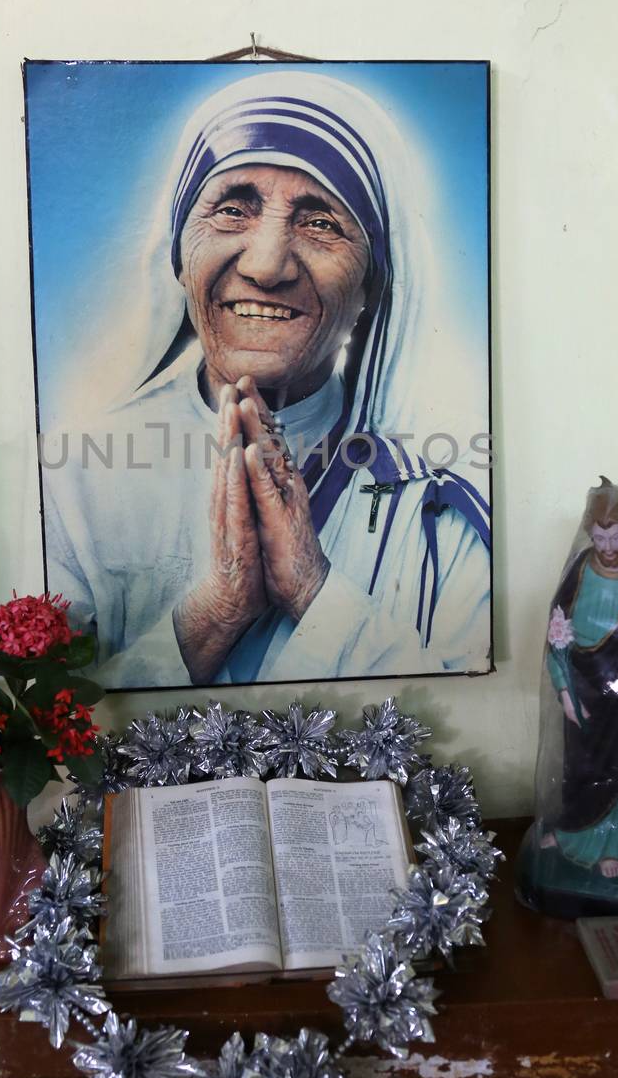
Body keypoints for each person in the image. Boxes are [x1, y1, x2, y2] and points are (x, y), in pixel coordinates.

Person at [45, 70, 491, 687]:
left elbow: (468, 739)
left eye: (320, 223)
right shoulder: (75, 479)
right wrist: (218, 611)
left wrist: (311, 586)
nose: (266, 264)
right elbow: (47, 740)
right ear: (179, 256)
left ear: (373, 286)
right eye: (232, 210)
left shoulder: (437, 504)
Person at [540, 488, 618, 880]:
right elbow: (556, 633)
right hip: (584, 687)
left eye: (614, 538)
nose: (607, 547)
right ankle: (575, 833)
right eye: (599, 538)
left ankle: (616, 843)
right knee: (581, 765)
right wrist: (564, 690)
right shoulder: (580, 568)